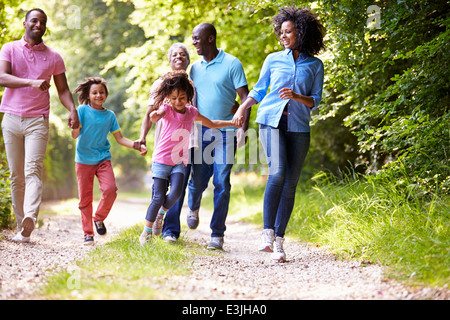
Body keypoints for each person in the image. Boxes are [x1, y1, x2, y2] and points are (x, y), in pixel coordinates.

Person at [232, 6, 325, 261]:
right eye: (281, 32)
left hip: (299, 127)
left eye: (288, 32)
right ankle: (267, 233)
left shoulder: (315, 65)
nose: (283, 36)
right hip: (270, 121)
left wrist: (296, 96)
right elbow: (260, 90)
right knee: (278, 172)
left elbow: (316, 101)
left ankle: (280, 242)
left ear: (301, 33)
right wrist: (242, 107)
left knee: (291, 184)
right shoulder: (273, 59)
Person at [0, 8, 80, 243]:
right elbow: (2, 77)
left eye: (42, 22)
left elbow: (63, 90)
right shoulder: (10, 49)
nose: (38, 24)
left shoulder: (54, 57)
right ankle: (21, 227)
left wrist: (73, 109)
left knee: (32, 170)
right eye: (34, 20)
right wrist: (30, 82)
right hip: (11, 119)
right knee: (16, 175)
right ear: (24, 23)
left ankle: (30, 218)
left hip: (38, 120)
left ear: (45, 26)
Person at [138, 71, 239, 245]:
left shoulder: (191, 112)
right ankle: (146, 233)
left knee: (176, 192)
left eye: (182, 98)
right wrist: (154, 116)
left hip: (178, 159)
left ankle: (161, 214)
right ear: (169, 98)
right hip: (162, 159)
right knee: (158, 196)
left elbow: (212, 124)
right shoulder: (167, 109)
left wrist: (232, 123)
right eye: (175, 98)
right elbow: (157, 115)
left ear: (189, 97)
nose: (178, 101)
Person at [188, 23, 250, 251]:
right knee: (198, 180)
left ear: (210, 38)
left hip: (226, 133)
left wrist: (243, 129)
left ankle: (217, 235)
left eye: (197, 38)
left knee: (222, 181)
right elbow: (190, 99)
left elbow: (245, 99)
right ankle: (193, 206)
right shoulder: (193, 68)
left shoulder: (232, 63)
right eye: (193, 38)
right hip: (202, 131)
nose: (194, 42)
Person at [71, 77, 146, 245]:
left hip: (102, 159)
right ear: (88, 95)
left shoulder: (110, 115)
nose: (99, 95)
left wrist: (137, 145)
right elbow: (75, 135)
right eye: (94, 93)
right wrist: (74, 125)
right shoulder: (81, 111)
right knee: (85, 198)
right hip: (83, 160)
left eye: (101, 92)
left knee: (111, 189)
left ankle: (98, 218)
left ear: (106, 94)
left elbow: (119, 138)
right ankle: (88, 233)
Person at [135, 43, 193, 242]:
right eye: (175, 55)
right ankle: (150, 229)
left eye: (183, 54)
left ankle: (171, 231)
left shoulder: (192, 85)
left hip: (185, 146)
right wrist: (143, 137)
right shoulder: (160, 84)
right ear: (169, 60)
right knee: (159, 194)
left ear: (188, 60)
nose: (179, 57)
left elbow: (196, 115)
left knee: (178, 189)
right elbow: (149, 114)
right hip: (164, 146)